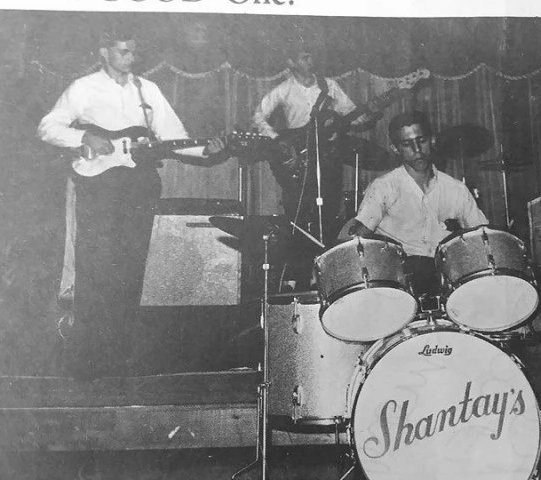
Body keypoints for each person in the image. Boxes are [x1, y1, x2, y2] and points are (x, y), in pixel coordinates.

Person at [38, 29, 227, 380]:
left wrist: (206, 151)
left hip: (138, 184)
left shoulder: (148, 90)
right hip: (100, 183)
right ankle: (88, 360)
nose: (130, 58)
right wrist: (84, 137)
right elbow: (48, 127)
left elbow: (172, 136)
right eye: (123, 52)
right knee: (96, 266)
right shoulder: (83, 87)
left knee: (130, 268)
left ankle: (120, 357)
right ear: (104, 52)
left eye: (133, 53)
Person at [252, 42, 380, 287]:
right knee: (298, 211)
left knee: (330, 209)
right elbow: (258, 116)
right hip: (297, 159)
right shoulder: (284, 89)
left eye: (311, 56)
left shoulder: (328, 86)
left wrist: (372, 113)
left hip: (327, 157)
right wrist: (279, 140)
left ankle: (329, 272)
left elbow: (351, 115)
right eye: (304, 57)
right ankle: (299, 275)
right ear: (291, 63)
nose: (310, 60)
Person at [347, 111, 488, 296]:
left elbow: (483, 237)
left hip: (446, 278)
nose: (417, 149)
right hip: (399, 280)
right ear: (396, 149)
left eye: (421, 140)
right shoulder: (384, 187)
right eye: (407, 144)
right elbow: (358, 237)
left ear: (432, 141)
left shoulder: (456, 189)